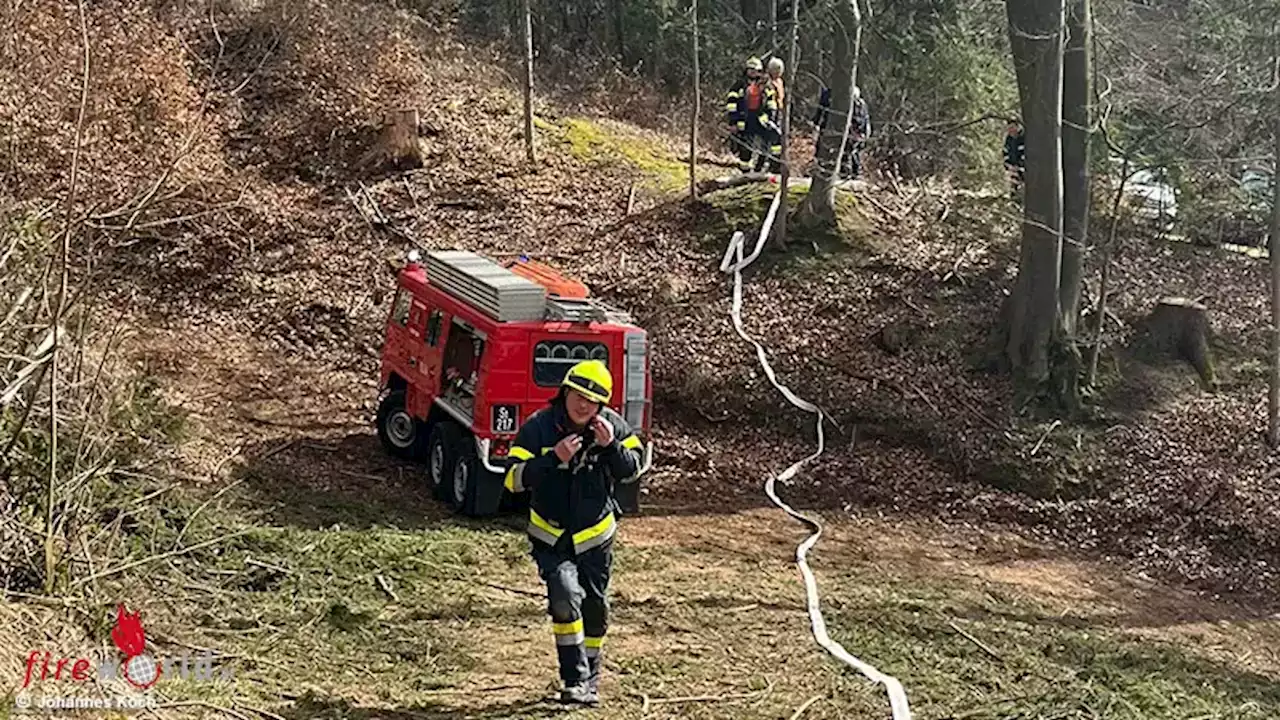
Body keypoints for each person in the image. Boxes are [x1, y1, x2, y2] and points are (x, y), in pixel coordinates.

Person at [503, 359, 644, 706]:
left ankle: (590, 678)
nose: (583, 405)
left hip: (596, 536)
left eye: (593, 400)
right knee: (565, 599)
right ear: (565, 392)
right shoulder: (538, 427)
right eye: (578, 396)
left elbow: (632, 472)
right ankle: (574, 679)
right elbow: (511, 480)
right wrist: (552, 458)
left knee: (595, 607)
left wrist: (612, 447)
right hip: (552, 537)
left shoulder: (612, 426)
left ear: (602, 405)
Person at [724, 56, 782, 173]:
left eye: (756, 70)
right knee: (745, 148)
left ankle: (773, 167)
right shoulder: (739, 85)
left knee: (775, 139)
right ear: (746, 70)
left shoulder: (765, 85)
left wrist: (770, 118)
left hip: (761, 118)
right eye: (751, 69)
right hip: (744, 119)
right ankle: (745, 173)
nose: (753, 72)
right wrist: (733, 122)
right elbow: (731, 105)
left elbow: (771, 102)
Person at [811, 84, 871, 180]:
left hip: (851, 131)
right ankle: (847, 172)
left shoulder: (858, 104)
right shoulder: (830, 95)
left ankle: (849, 172)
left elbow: (863, 119)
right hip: (847, 130)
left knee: (848, 152)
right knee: (847, 151)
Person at [1003, 120, 1025, 198]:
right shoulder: (1009, 139)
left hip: (1023, 168)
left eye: (1012, 127)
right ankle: (1013, 199)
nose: (1011, 130)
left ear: (1017, 127)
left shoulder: (1023, 137)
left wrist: (1019, 165)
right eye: (1009, 128)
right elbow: (1005, 152)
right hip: (1012, 167)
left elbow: (1025, 154)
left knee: (1023, 184)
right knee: (1013, 184)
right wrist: (1007, 164)